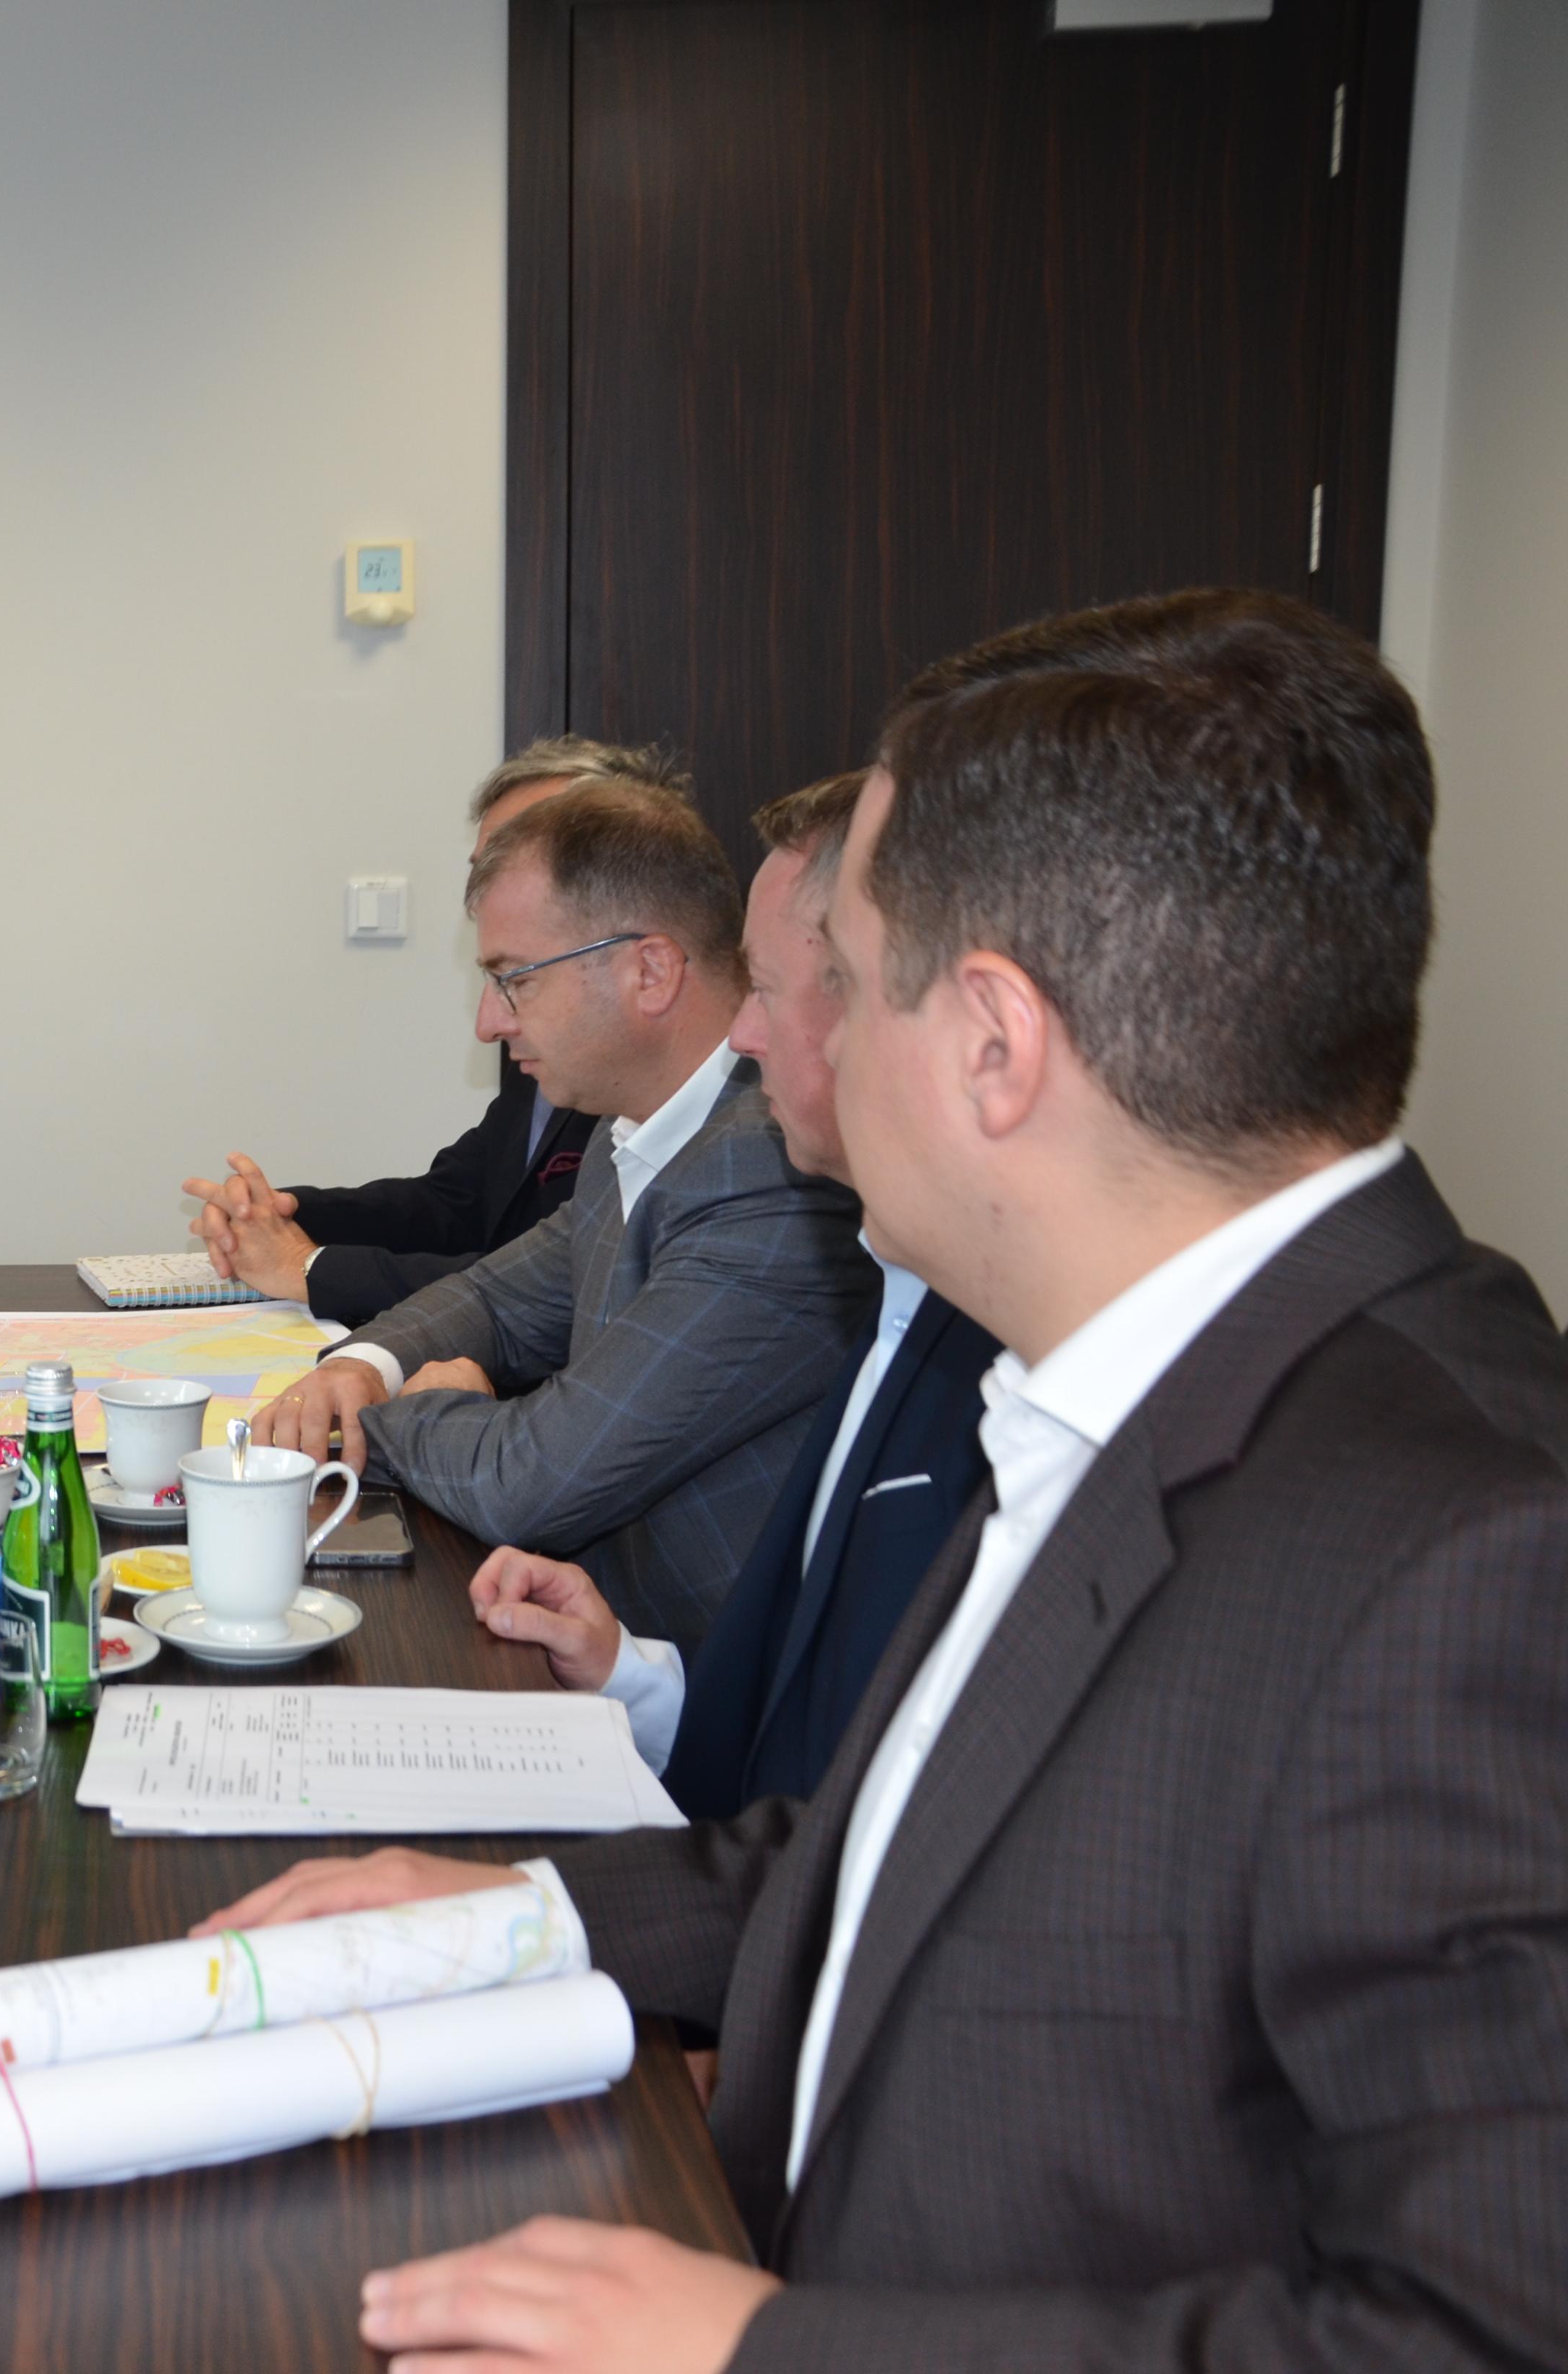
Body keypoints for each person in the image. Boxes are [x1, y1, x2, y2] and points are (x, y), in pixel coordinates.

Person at [204, 589, 1568, 2371]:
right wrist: (532, 1913)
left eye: (842, 979)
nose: (772, 1043)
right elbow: (917, 1845)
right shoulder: (1139, 1369)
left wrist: (757, 2350)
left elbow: (1481, 2329)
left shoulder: (1484, 1547)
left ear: (993, 1044)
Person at [468, 772, 998, 1814]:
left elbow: (874, 1823)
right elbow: (821, 1737)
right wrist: (634, 1678)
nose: (743, 1037)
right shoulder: (911, 1283)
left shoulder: (787, 1201)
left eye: (768, 987)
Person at [249, 787, 876, 1648]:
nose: (487, 1023)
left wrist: (403, 1414)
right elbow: (497, 1299)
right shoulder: (641, 1132)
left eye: (515, 979)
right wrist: (362, 1366)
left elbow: (530, 1481)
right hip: (600, 1633)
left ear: (648, 972)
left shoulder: (766, 1170)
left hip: (707, 1691)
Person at [183, 738, 688, 1327]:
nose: (490, 1026)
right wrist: (283, 1214)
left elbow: (552, 1292)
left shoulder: (658, 1086)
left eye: (522, 854)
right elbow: (456, 1204)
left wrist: (310, 1267)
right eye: (485, 865)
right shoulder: (548, 1043)